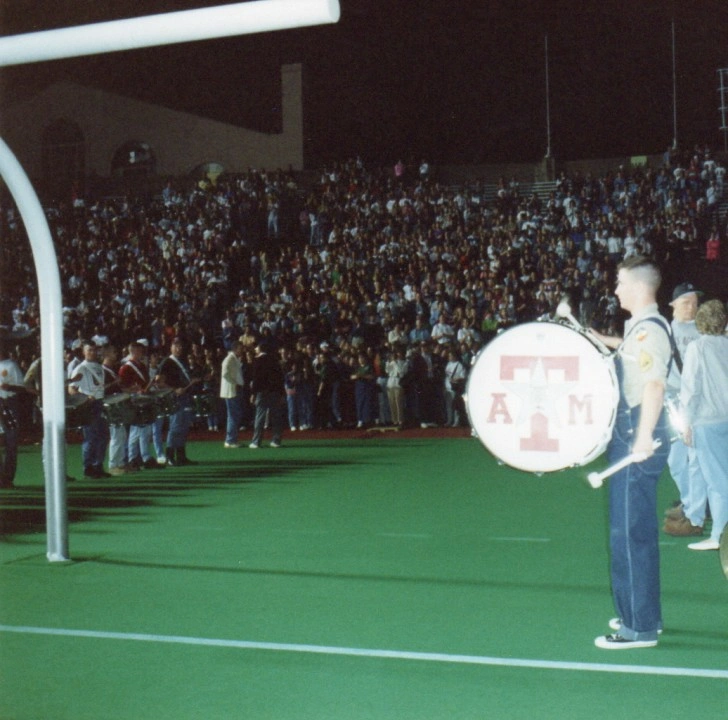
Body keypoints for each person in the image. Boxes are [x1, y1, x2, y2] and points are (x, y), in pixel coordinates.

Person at [589, 256, 672, 650]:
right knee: (633, 528)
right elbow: (631, 352)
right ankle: (641, 612)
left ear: (639, 287)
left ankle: (637, 627)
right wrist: (597, 338)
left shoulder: (649, 331)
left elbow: (653, 385)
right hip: (633, 428)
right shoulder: (641, 329)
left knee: (628, 531)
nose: (616, 289)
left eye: (620, 283)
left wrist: (641, 439)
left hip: (637, 431)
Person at [678, 300, 728, 551]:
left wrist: (685, 422)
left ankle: (719, 535)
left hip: (707, 421)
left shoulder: (697, 348)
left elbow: (690, 389)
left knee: (717, 482)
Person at [662, 282, 705, 536]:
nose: (692, 307)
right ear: (673, 305)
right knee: (677, 460)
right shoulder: (664, 331)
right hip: (674, 403)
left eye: (695, 303)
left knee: (699, 460)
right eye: (687, 302)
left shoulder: (707, 330)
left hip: (700, 404)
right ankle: (691, 503)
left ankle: (695, 512)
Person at [69, 343, 111, 479]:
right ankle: (88, 467)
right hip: (88, 406)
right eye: (89, 350)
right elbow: (72, 389)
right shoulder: (80, 368)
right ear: (83, 352)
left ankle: (98, 465)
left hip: (99, 402)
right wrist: (86, 398)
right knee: (91, 437)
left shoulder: (99, 367)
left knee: (103, 436)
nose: (92, 352)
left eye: (94, 350)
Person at [158, 337, 200, 466]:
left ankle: (181, 456)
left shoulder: (182, 361)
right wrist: (174, 390)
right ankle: (170, 456)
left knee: (184, 426)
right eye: (176, 346)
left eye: (180, 346)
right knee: (175, 426)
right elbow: (159, 382)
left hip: (185, 396)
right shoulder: (167, 362)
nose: (178, 348)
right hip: (174, 398)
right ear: (171, 347)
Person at [249, 340, 285, 449]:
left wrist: (253, 393)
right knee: (276, 417)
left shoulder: (258, 361)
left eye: (257, 347)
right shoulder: (275, 360)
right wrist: (281, 393)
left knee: (260, 417)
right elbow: (280, 378)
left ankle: (256, 441)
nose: (255, 349)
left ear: (260, 349)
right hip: (274, 392)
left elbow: (257, 379)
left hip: (262, 392)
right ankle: (276, 440)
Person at [0, 341, 25, 487]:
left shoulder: (11, 366)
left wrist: (9, 387)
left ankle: (7, 478)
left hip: (8, 405)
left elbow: (21, 388)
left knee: (10, 442)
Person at [220, 341, 245, 448]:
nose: (242, 350)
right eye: (240, 348)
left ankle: (231, 439)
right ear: (235, 349)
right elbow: (224, 373)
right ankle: (231, 440)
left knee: (233, 415)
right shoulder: (229, 359)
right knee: (233, 415)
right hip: (231, 391)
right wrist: (234, 382)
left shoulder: (234, 358)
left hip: (233, 390)